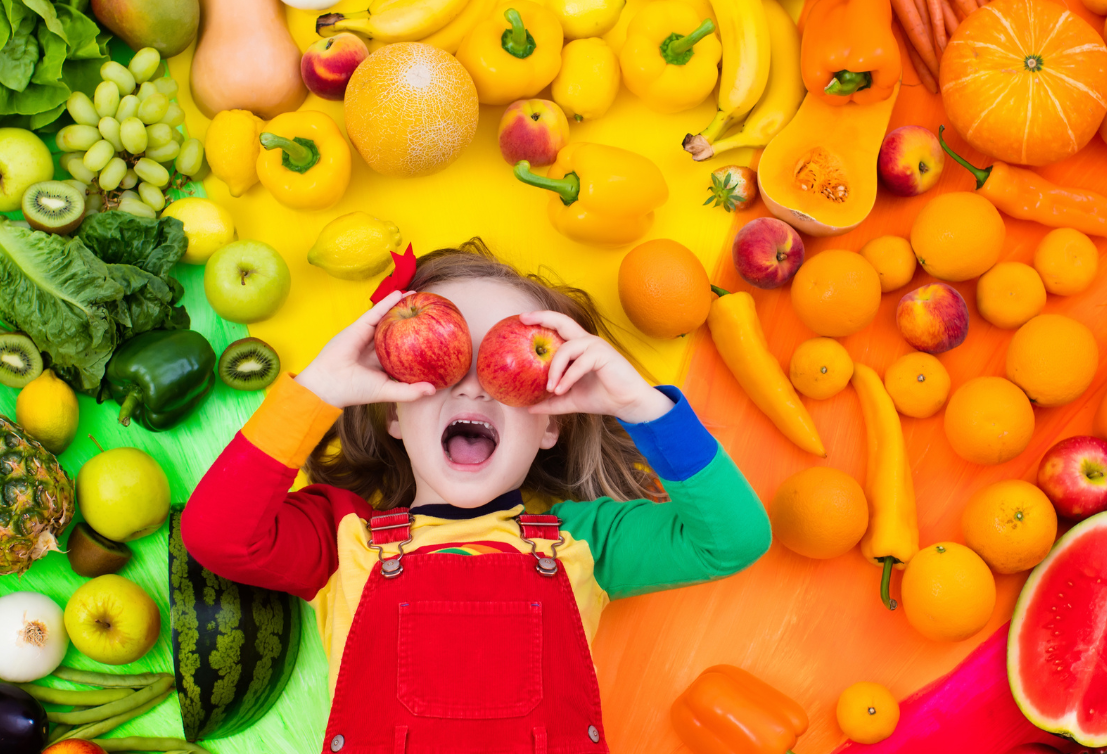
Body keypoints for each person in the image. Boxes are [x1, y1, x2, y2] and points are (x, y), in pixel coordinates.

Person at [181, 240, 771, 754]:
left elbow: (732, 542)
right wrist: (319, 391)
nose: (472, 386)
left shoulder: (584, 543)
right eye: (446, 362)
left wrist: (640, 405)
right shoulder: (344, 538)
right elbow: (216, 536)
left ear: (549, 424)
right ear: (392, 410)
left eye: (502, 363)